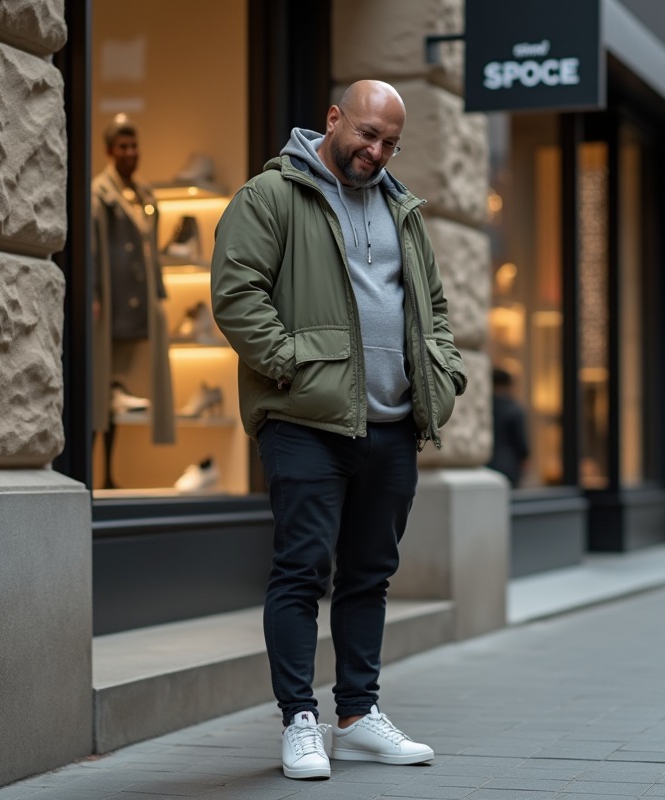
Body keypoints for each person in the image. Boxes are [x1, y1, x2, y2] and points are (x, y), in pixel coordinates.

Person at [211, 81, 467, 780]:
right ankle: (299, 720)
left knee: (369, 577)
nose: (375, 152)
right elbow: (236, 293)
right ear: (333, 119)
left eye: (390, 143)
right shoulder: (271, 197)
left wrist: (442, 375)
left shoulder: (402, 209)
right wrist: (291, 365)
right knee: (301, 572)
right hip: (305, 422)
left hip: (392, 425)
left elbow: (435, 308)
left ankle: (355, 717)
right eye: (366, 134)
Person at [91, 115, 176, 486]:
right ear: (109, 151)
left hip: (139, 307)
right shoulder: (99, 194)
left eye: (134, 145)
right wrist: (94, 293)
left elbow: (149, 252)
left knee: (120, 392)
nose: (130, 153)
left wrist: (158, 296)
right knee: (99, 392)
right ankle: (94, 472)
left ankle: (108, 475)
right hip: (110, 308)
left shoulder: (144, 195)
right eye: (123, 146)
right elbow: (92, 251)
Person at [487, 368, 530, 487]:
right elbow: (520, 440)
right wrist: (525, 459)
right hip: (509, 465)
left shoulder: (485, 408)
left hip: (487, 464)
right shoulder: (514, 409)